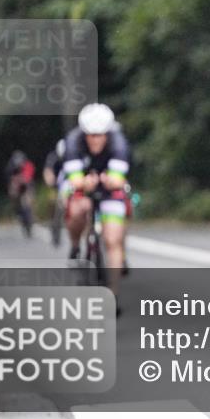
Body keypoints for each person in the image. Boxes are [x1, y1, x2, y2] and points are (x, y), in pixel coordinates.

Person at [62, 104, 132, 306]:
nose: (95, 139)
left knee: (112, 238)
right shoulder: (73, 142)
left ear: (107, 133)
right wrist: (84, 183)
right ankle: (75, 246)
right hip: (84, 184)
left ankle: (114, 292)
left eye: (100, 135)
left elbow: (119, 178)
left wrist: (112, 181)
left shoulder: (118, 142)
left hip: (110, 187)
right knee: (77, 210)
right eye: (90, 135)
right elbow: (74, 180)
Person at [6, 150, 36, 237]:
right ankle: (17, 211)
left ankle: (31, 217)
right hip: (16, 186)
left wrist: (19, 179)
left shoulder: (28, 165)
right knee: (13, 194)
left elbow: (27, 179)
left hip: (27, 185)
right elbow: (11, 181)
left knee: (28, 201)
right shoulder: (10, 167)